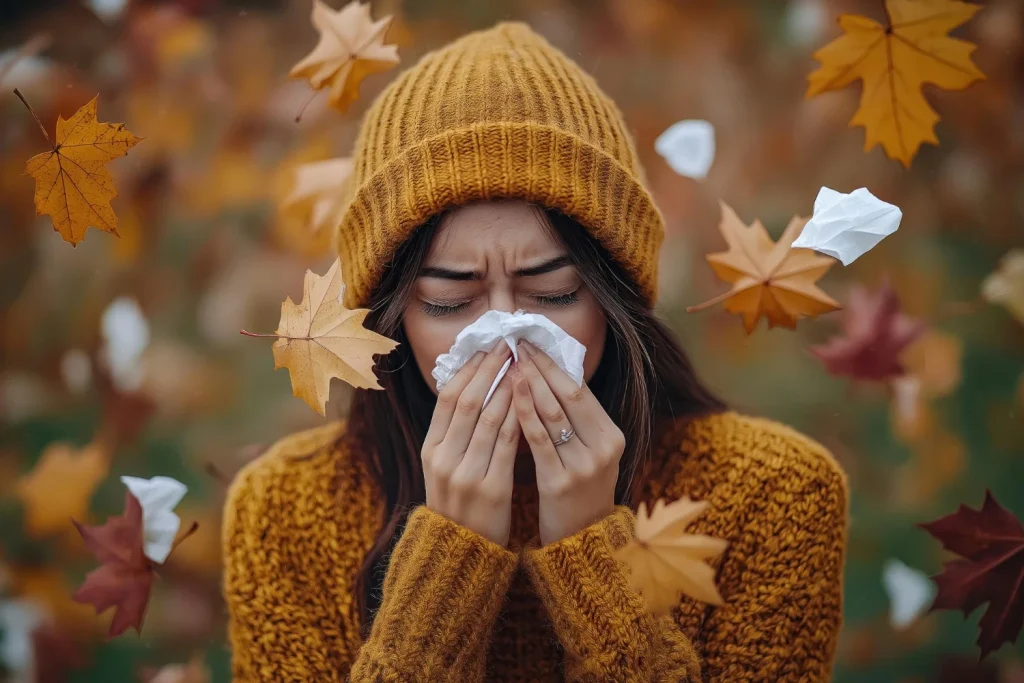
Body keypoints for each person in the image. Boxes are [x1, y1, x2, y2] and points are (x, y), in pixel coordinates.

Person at [223, 21, 847, 683]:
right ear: (392, 318)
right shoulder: (285, 512)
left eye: (553, 293)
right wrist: (447, 569)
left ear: (612, 297)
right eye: (448, 300)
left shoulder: (771, 494)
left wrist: (593, 555)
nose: (507, 335)